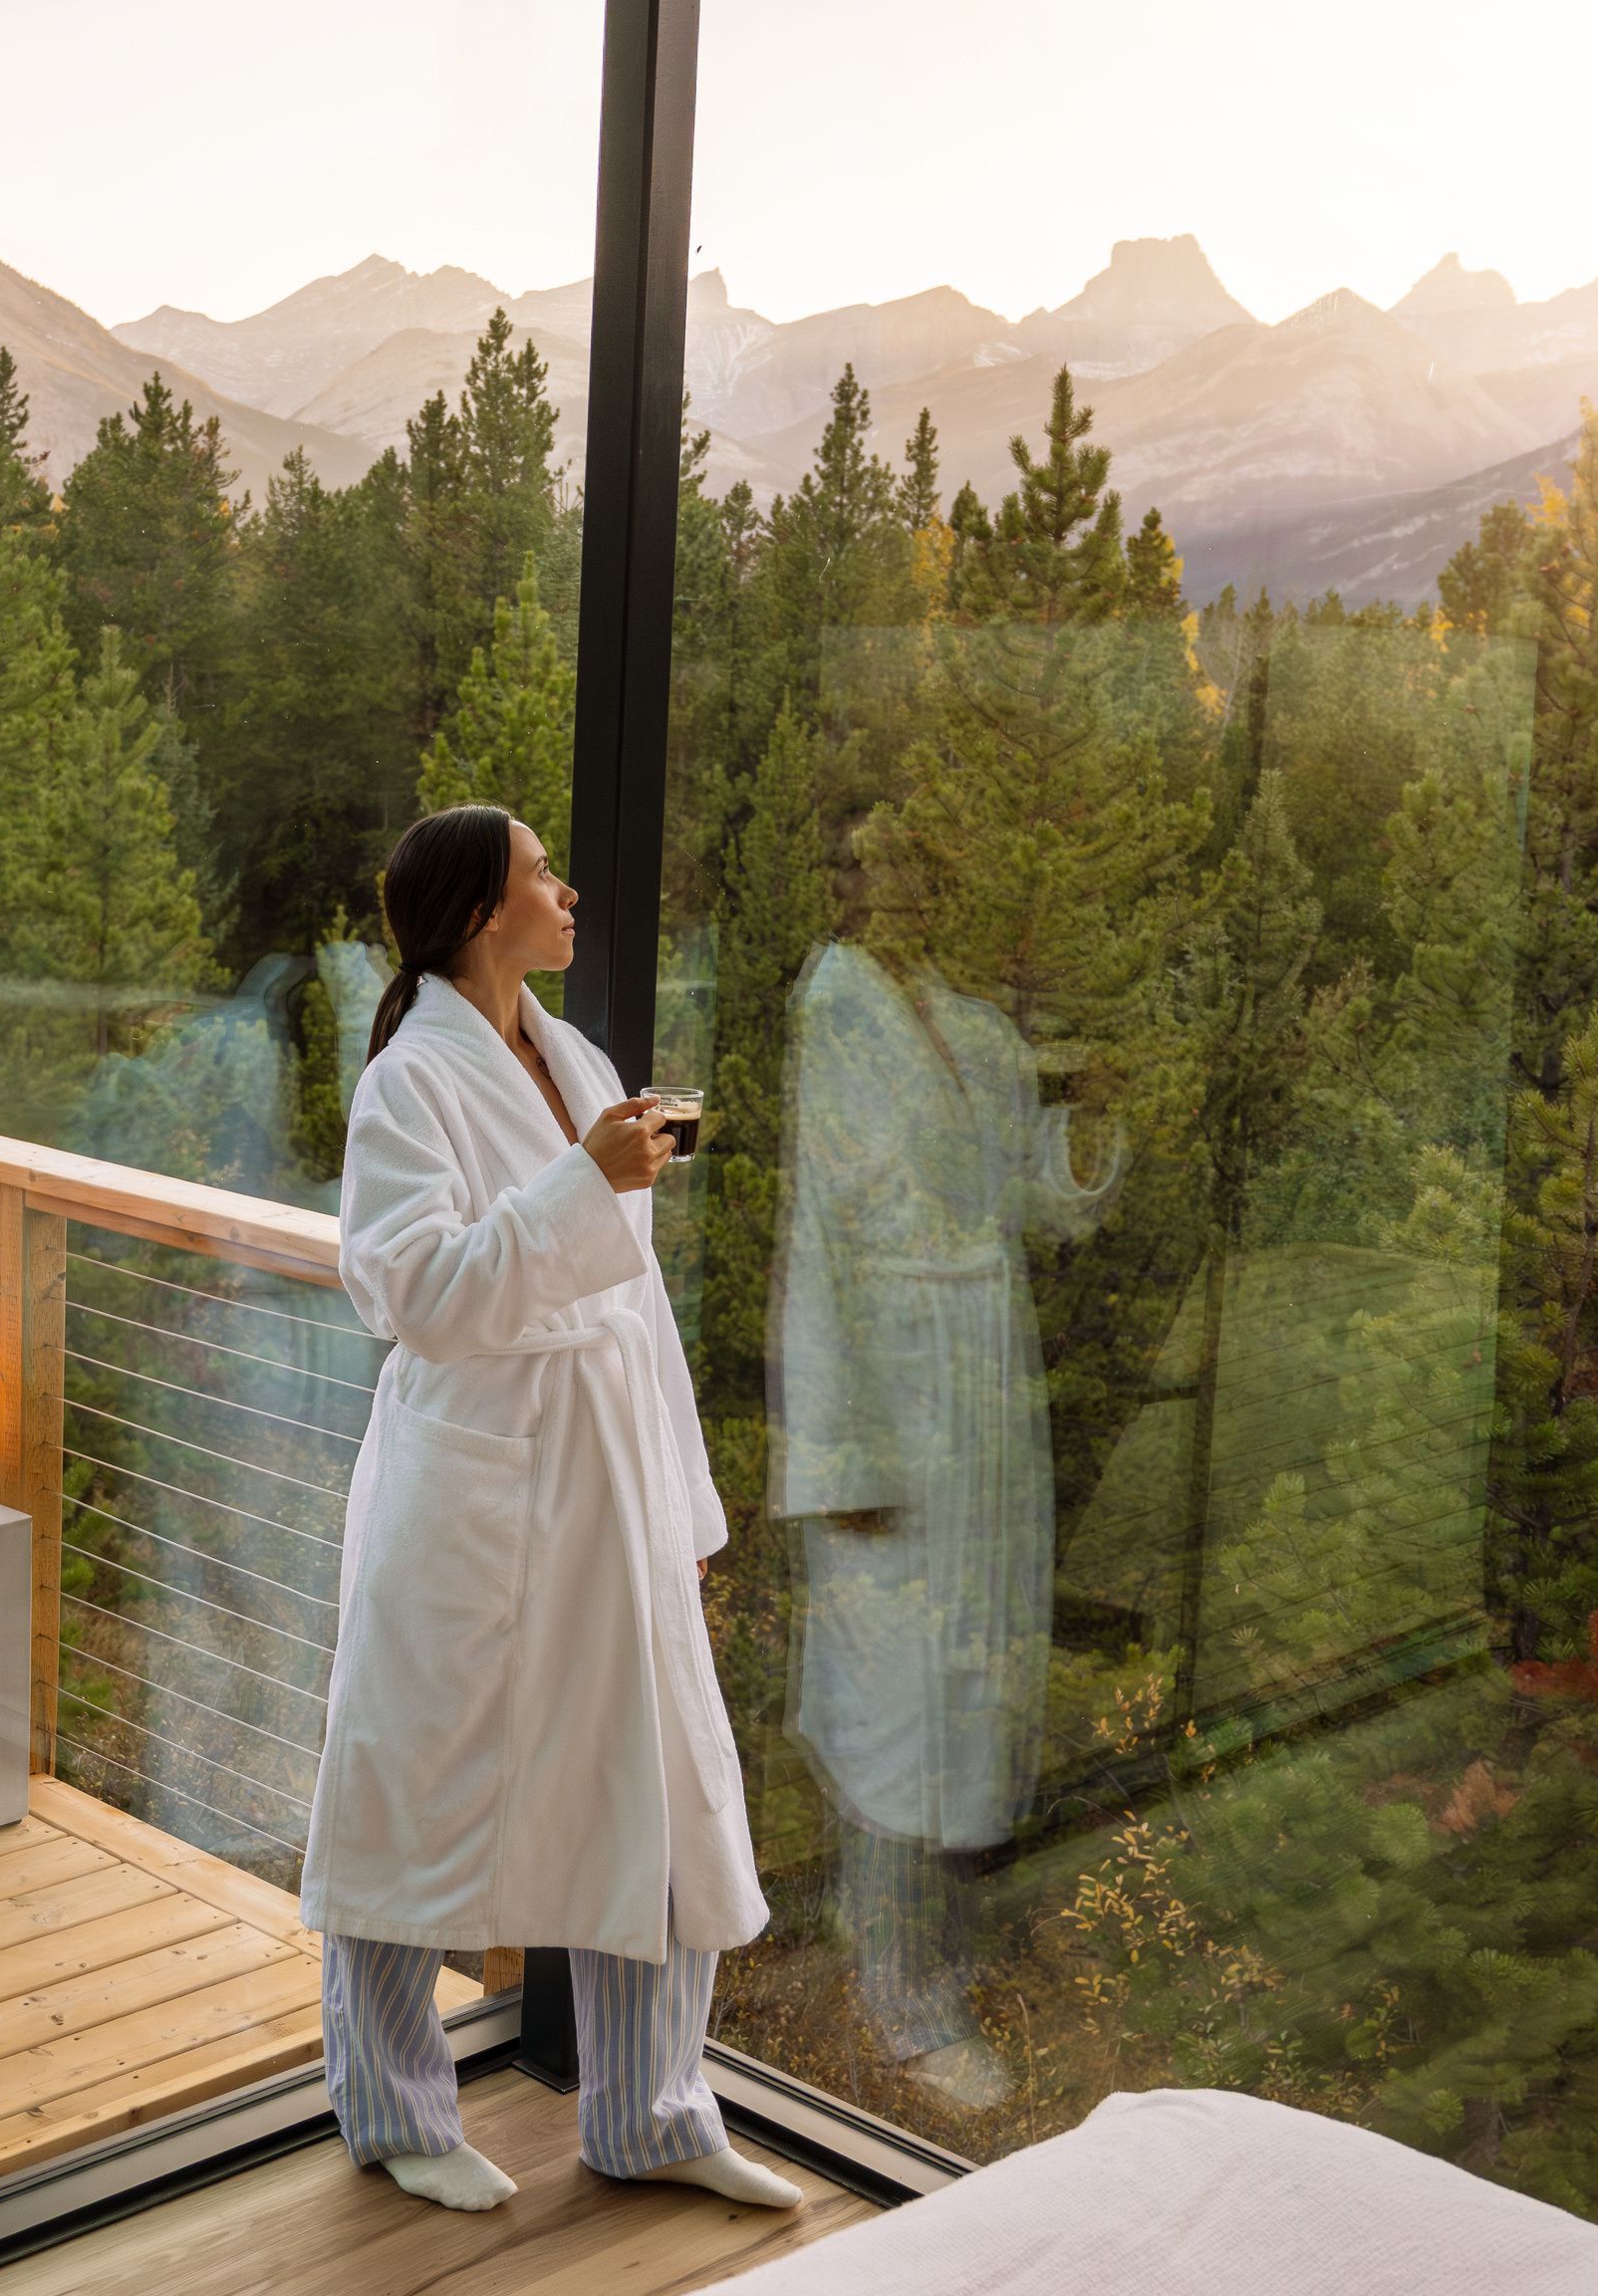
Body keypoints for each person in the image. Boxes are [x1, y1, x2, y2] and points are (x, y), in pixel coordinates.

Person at [300, 803, 792, 2214]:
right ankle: (393, 2111)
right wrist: (586, 1180)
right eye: (541, 878)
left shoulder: (572, 1056)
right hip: (478, 1477)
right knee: (416, 1781)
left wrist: (678, 1505)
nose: (569, 894)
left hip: (603, 1470)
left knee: (664, 1779)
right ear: (474, 914)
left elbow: (628, 1308)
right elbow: (416, 1295)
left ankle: (652, 2113)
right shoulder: (409, 1082)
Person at [767, 940, 1118, 2109]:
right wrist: (835, 1445)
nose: (895, 878)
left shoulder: (976, 1022)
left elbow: (1043, 1206)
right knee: (894, 1680)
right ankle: (898, 1990)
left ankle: (925, 1934)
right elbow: (816, 1226)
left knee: (972, 1665)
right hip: (889, 1381)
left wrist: (1097, 1119)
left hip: (983, 1378)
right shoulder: (838, 1003)